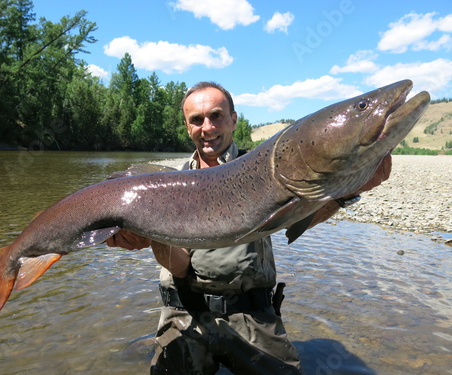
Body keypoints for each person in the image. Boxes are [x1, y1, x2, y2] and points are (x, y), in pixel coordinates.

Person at [107, 82, 391, 374]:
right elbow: (179, 268)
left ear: (233, 119)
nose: (207, 127)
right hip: (184, 309)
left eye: (216, 115)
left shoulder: (267, 167)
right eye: (196, 120)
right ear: (187, 127)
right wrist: (153, 235)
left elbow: (299, 218)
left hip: (251, 313)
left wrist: (344, 194)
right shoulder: (168, 186)